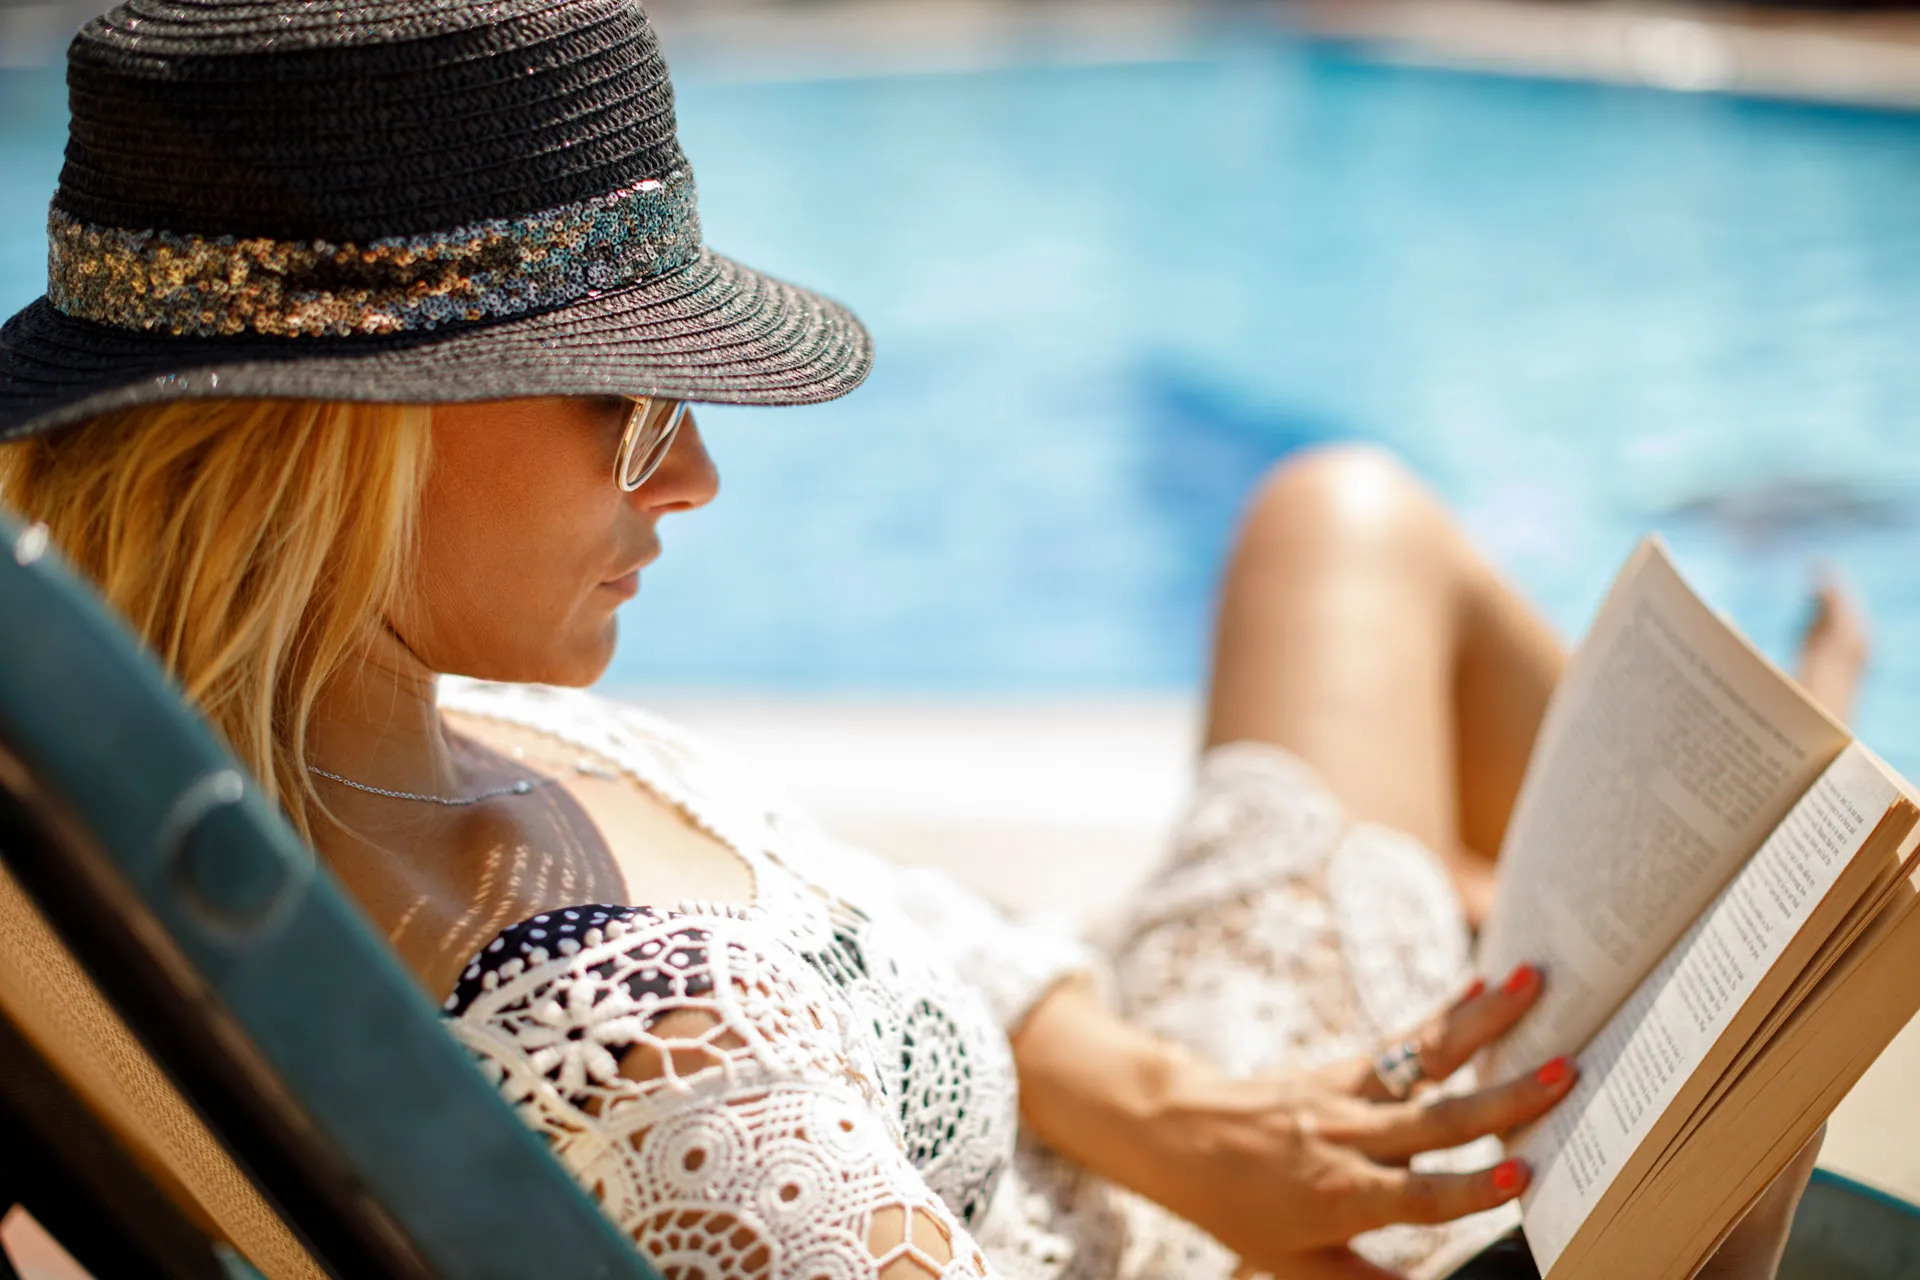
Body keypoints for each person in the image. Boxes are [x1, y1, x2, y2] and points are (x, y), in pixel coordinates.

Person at [0, 1, 1861, 1277]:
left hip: (1166, 1128)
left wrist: (1160, 1105)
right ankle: (1753, 864)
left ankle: (1684, 860)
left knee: (1338, 521)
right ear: (353, 444)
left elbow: (885, 915)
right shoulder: (677, 1063)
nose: (701, 480)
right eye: (637, 408)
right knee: (1778, 923)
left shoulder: (276, 762)